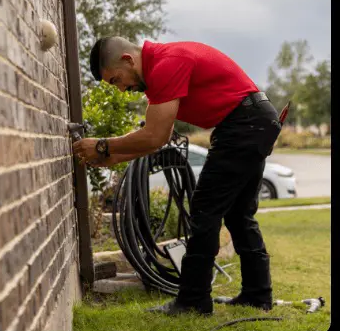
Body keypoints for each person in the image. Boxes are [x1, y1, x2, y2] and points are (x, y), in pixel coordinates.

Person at [72, 36, 282, 316]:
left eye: (116, 80)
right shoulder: (161, 68)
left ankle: (193, 301)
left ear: (127, 59)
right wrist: (111, 157)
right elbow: (157, 140)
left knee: (205, 211)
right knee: (238, 214)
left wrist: (101, 145)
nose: (122, 89)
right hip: (252, 121)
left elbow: (154, 135)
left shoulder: (167, 65)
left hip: (244, 125)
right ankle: (258, 296)